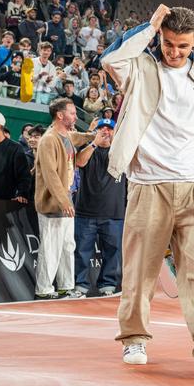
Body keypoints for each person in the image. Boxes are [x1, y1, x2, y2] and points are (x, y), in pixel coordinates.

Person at [102, 4, 194, 375]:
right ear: (160, 36)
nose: (174, 52)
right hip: (148, 185)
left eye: (184, 47)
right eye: (169, 43)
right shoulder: (140, 68)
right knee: (139, 270)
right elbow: (111, 58)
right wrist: (149, 26)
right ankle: (134, 338)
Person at [34, 98, 95, 300]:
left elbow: (77, 137)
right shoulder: (49, 140)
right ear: (60, 115)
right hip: (54, 204)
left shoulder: (66, 135)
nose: (76, 116)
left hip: (66, 200)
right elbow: (50, 175)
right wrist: (64, 201)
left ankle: (65, 287)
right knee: (50, 248)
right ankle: (43, 289)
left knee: (68, 246)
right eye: (72, 113)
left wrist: (93, 136)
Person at [73, 118, 125, 297]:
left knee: (112, 252)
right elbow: (79, 162)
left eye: (109, 129)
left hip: (114, 213)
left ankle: (108, 286)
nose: (105, 132)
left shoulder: (121, 152)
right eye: (101, 129)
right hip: (86, 212)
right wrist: (94, 143)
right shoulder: (88, 149)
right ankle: (80, 287)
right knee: (81, 251)